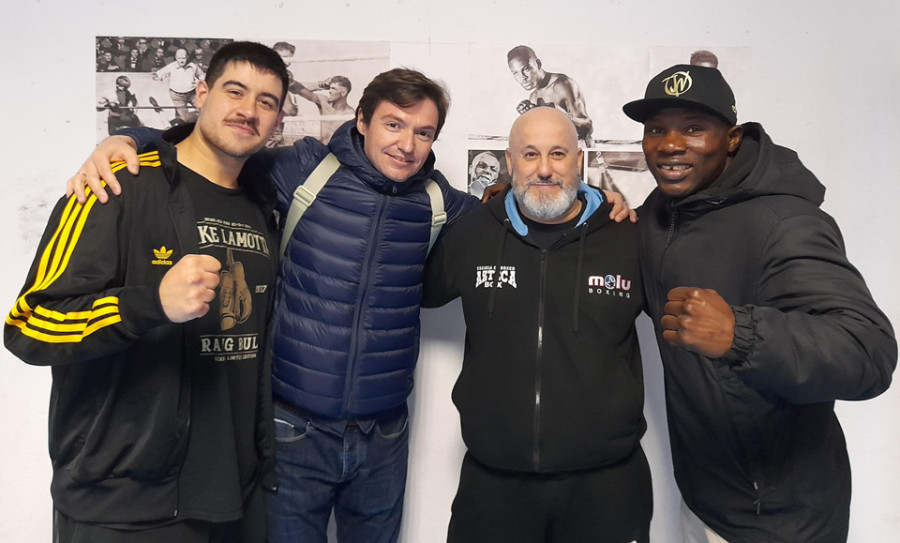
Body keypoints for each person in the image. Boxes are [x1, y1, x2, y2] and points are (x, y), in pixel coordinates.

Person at [5, 41, 290, 543]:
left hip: (234, 495)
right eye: (235, 91)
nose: (249, 110)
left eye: (266, 101)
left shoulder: (262, 207)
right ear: (201, 94)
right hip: (126, 502)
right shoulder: (120, 183)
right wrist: (150, 303)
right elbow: (29, 324)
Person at [623, 64, 897, 542]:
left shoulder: (785, 221)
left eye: (693, 128)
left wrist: (741, 335)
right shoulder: (662, 215)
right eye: (656, 130)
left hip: (784, 520)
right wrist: (510, 204)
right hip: (705, 498)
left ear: (732, 138)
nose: (669, 144)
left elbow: (869, 352)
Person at [423, 107, 650, 543]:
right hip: (494, 484)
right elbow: (408, 294)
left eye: (558, 154)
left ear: (578, 161)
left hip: (607, 487)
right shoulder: (473, 233)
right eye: (529, 155)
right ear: (510, 164)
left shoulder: (628, 239)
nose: (544, 169)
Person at [507, 45, 594, 147]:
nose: (523, 78)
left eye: (526, 69)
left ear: (538, 64)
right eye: (516, 73)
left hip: (578, 152)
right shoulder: (533, 97)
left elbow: (587, 128)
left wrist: (557, 114)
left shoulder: (562, 85)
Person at [289, 75, 355, 143]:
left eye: (333, 88)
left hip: (337, 151)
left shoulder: (350, 115)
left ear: (343, 92)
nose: (329, 91)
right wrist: (290, 81)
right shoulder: (324, 103)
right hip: (322, 149)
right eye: (330, 88)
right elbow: (300, 91)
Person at [154, 48, 204, 124]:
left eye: (183, 58)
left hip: (193, 93)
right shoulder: (171, 66)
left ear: (187, 57)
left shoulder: (192, 66)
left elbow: (201, 75)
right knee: (185, 119)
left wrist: (203, 83)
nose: (181, 60)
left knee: (204, 110)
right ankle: (182, 119)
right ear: (176, 58)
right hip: (177, 96)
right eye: (179, 58)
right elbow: (158, 74)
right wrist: (158, 76)